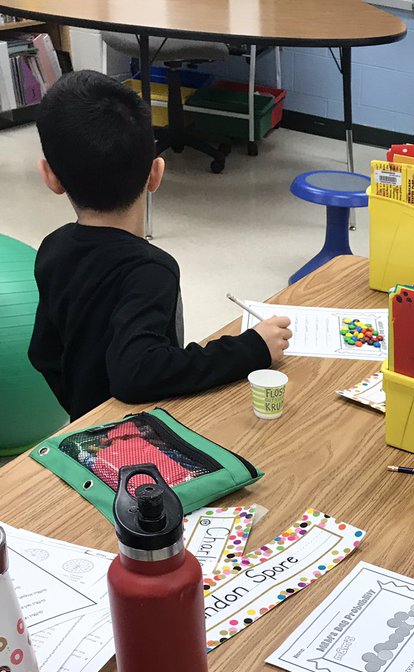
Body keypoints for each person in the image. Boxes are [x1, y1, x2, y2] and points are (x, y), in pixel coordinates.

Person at [28, 70, 291, 420]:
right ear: (156, 173)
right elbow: (136, 373)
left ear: (50, 177)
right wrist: (252, 348)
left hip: (83, 432)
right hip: (135, 439)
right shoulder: (150, 270)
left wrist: (84, 410)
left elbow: (43, 353)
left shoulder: (53, 247)